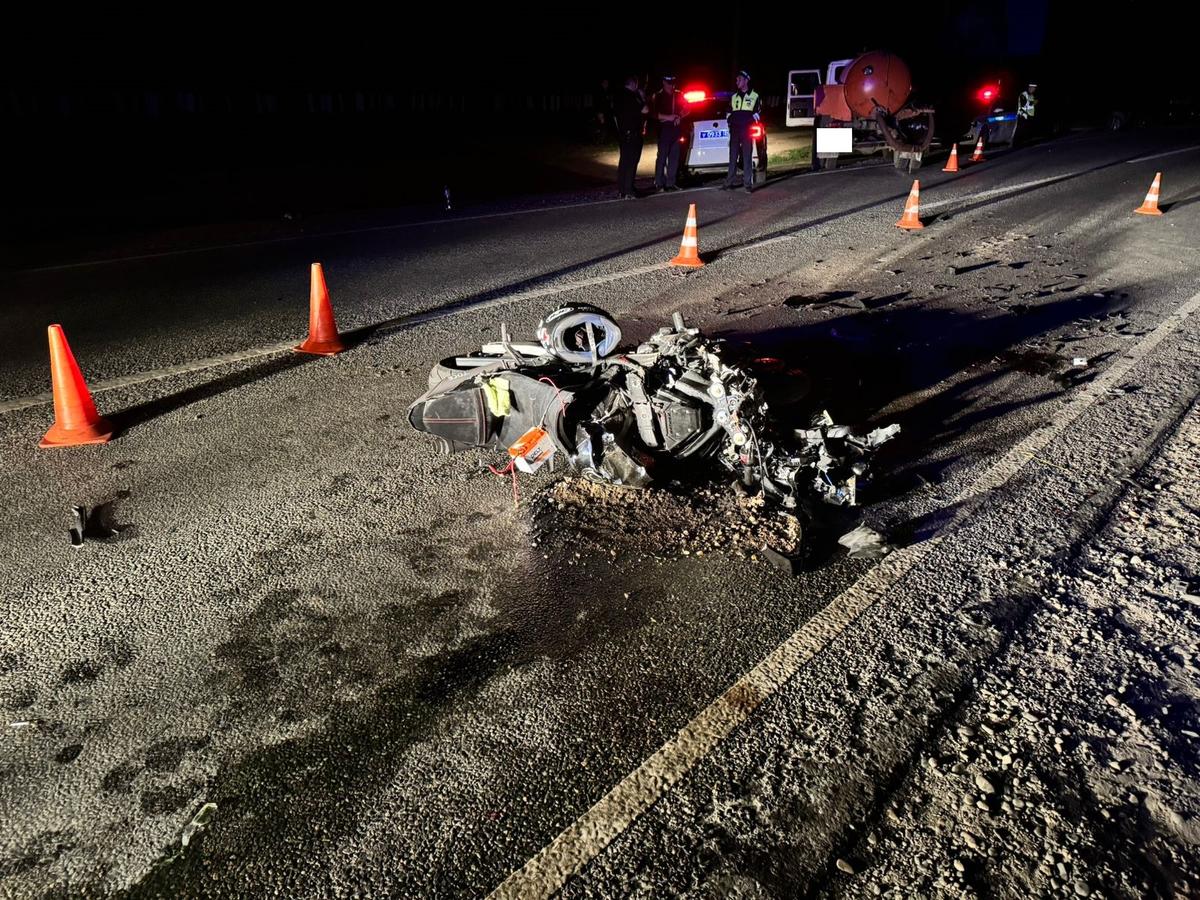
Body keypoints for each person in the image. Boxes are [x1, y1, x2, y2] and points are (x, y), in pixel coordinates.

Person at [721, 70, 761, 193]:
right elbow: (728, 113)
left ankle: (747, 184)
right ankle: (729, 182)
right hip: (735, 131)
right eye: (737, 79)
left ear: (746, 80)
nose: (736, 81)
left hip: (746, 131)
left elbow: (757, 115)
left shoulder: (755, 96)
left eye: (739, 79)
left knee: (747, 157)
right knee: (732, 156)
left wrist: (743, 119)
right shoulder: (734, 97)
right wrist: (731, 122)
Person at [613, 75, 648, 199]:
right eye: (636, 85)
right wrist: (642, 97)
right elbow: (645, 110)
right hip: (632, 134)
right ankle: (629, 190)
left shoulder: (618, 96)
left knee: (623, 162)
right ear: (633, 84)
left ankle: (622, 189)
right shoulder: (633, 96)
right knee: (632, 162)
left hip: (622, 134)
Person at [651, 75, 687, 191]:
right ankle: (659, 182)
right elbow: (653, 114)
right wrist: (668, 117)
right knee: (662, 157)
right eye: (669, 83)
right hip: (663, 130)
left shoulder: (678, 94)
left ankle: (671, 183)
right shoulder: (658, 96)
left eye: (673, 83)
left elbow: (688, 107)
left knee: (674, 157)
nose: (671, 85)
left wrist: (679, 116)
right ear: (663, 83)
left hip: (676, 129)